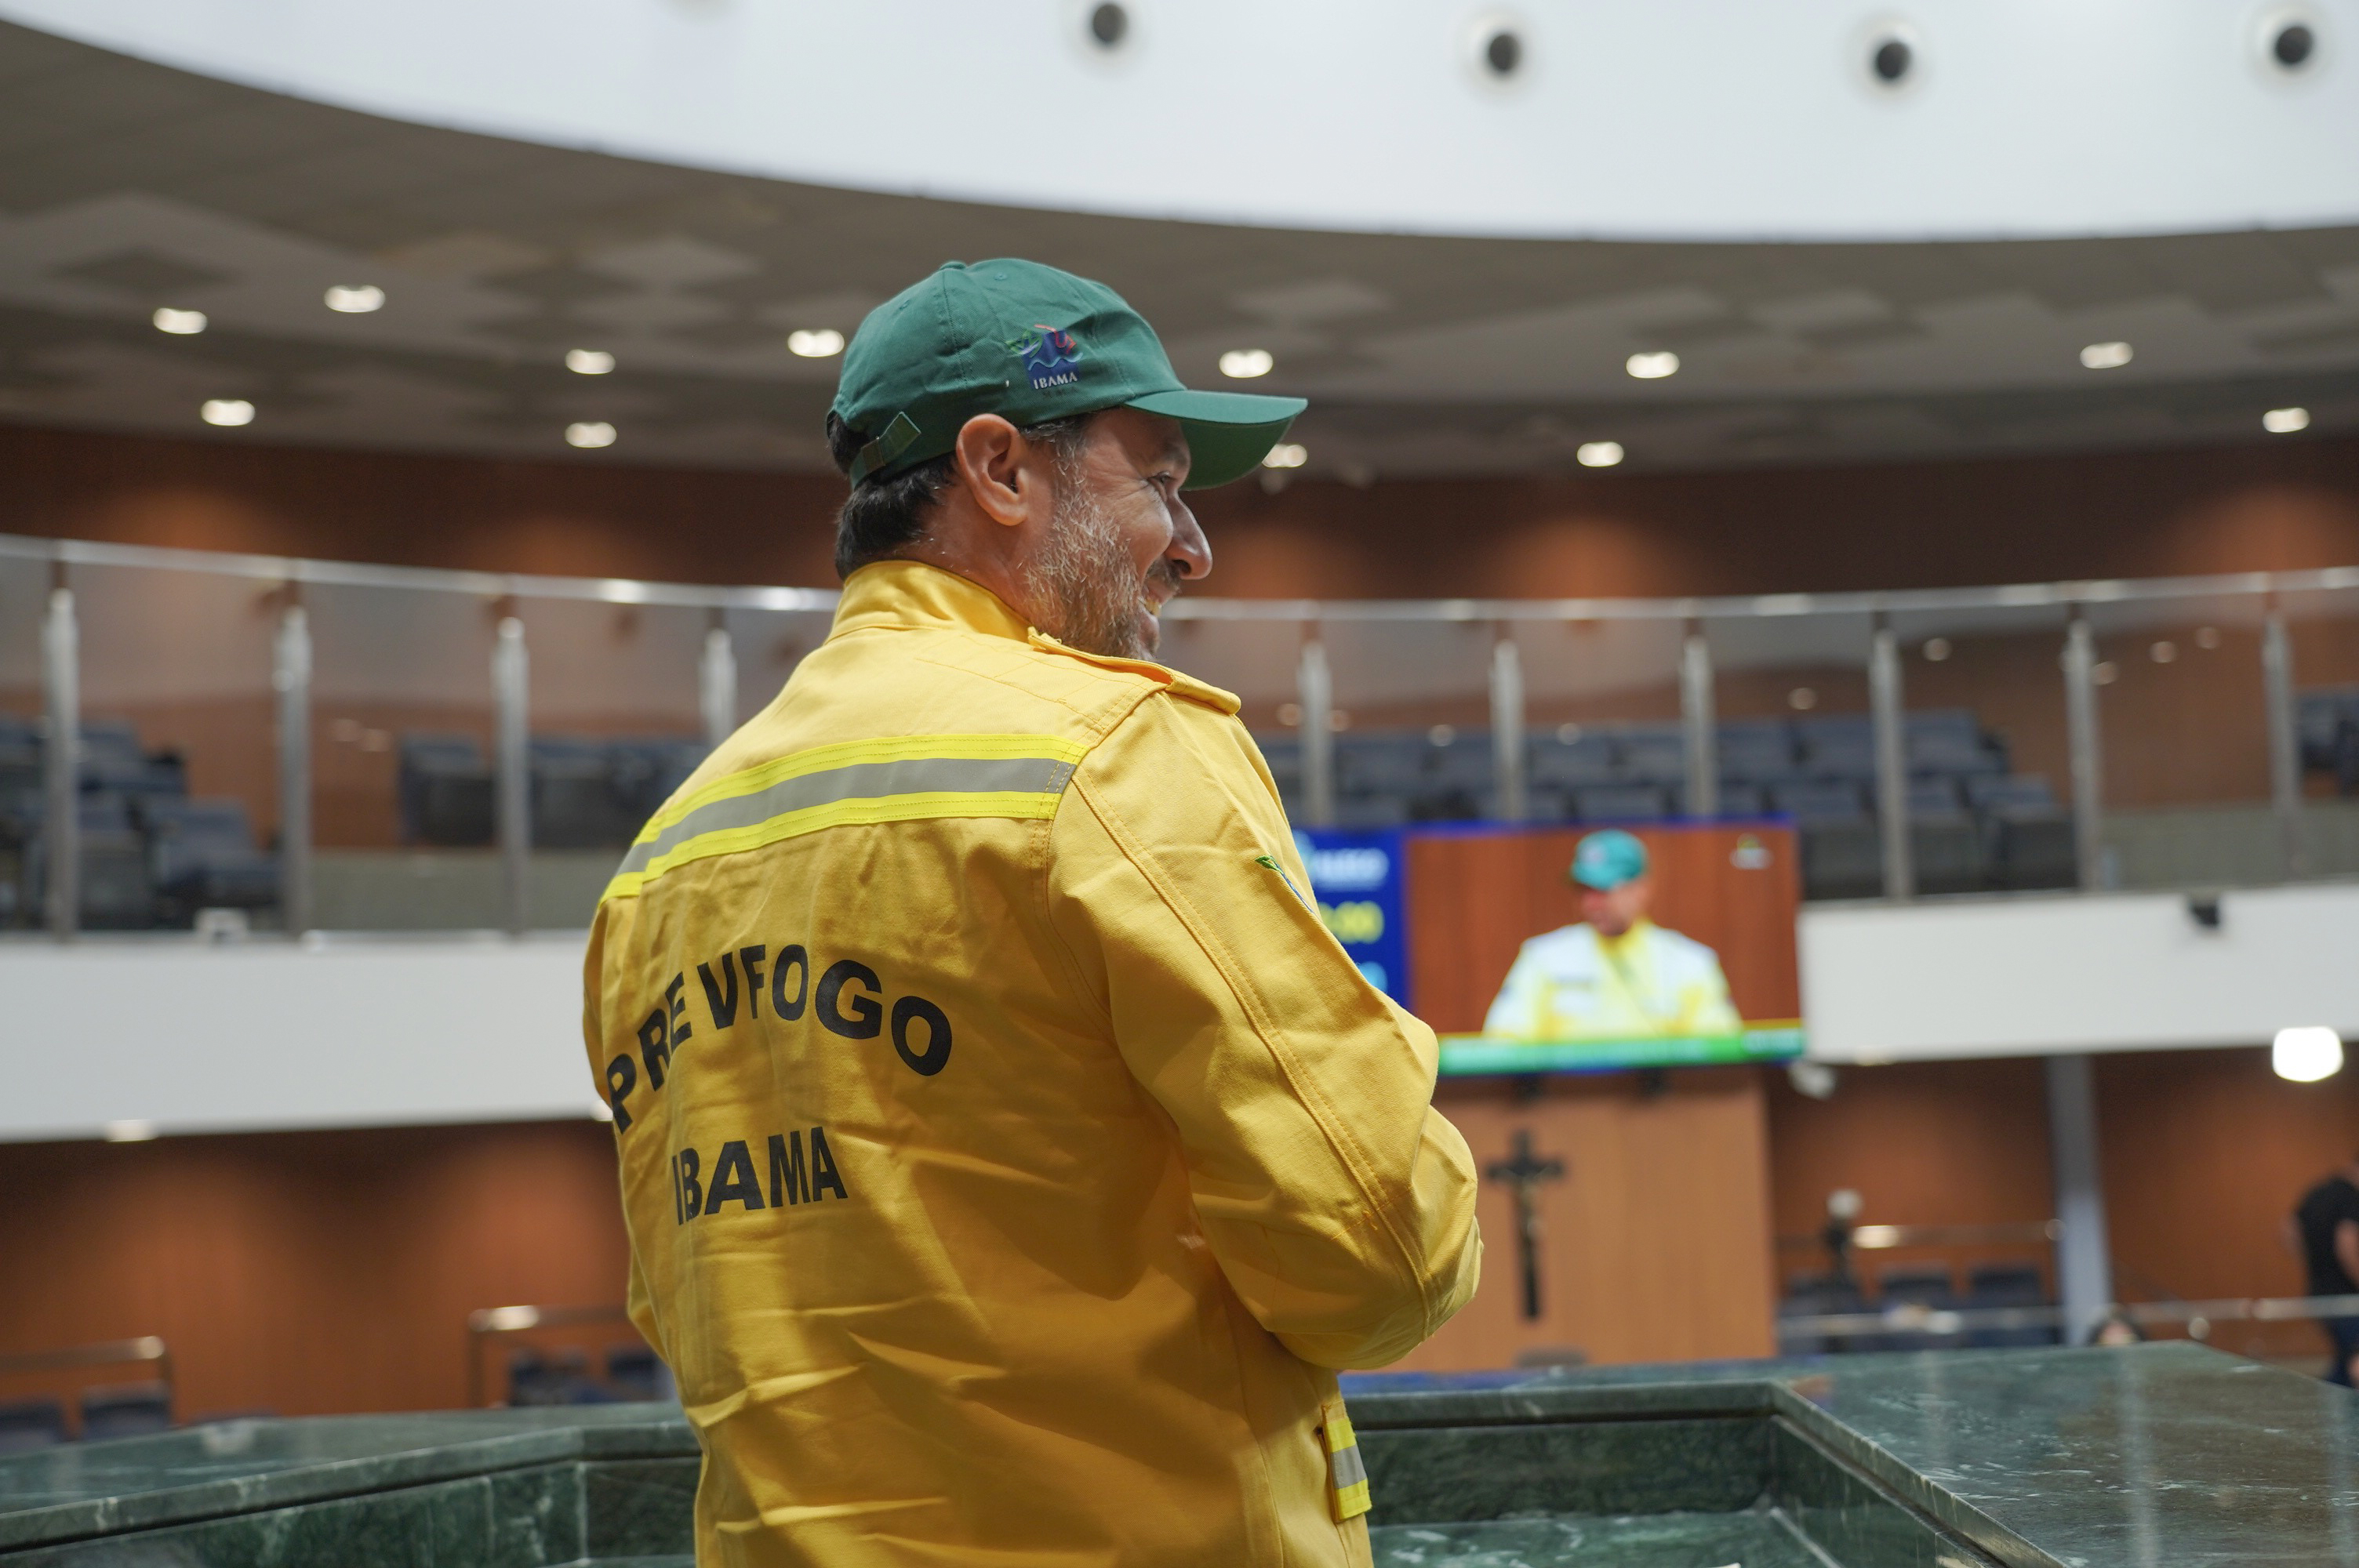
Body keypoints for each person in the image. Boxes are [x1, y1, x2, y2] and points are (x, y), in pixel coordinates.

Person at [583, 258, 1482, 1568]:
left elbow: (687, 1307)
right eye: (1159, 482)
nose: (1194, 546)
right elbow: (1376, 1252)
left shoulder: (665, 855)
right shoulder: (1114, 754)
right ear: (999, 468)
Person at [1482, 828, 1740, 1041]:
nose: (1591, 904)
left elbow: (1722, 1053)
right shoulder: (1543, 957)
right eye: (1584, 890)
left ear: (1641, 890)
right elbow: (1503, 1043)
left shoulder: (1690, 963)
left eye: (1604, 890)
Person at [2288, 1153, 2359, 1386]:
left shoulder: (2316, 1192)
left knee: (2345, 1357)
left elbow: (2288, 1230)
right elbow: (2346, 1243)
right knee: (2354, 1361)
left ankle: (2331, 1397)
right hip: (2346, 1298)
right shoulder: (2351, 1197)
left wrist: (2315, 1262)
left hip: (2318, 1292)